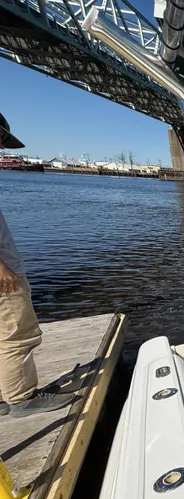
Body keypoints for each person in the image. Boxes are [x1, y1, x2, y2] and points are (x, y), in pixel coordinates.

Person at [0, 112, 74, 417]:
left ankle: (5, 395)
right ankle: (21, 398)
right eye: (0, 137)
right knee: (18, 333)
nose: (1, 144)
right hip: (5, 276)